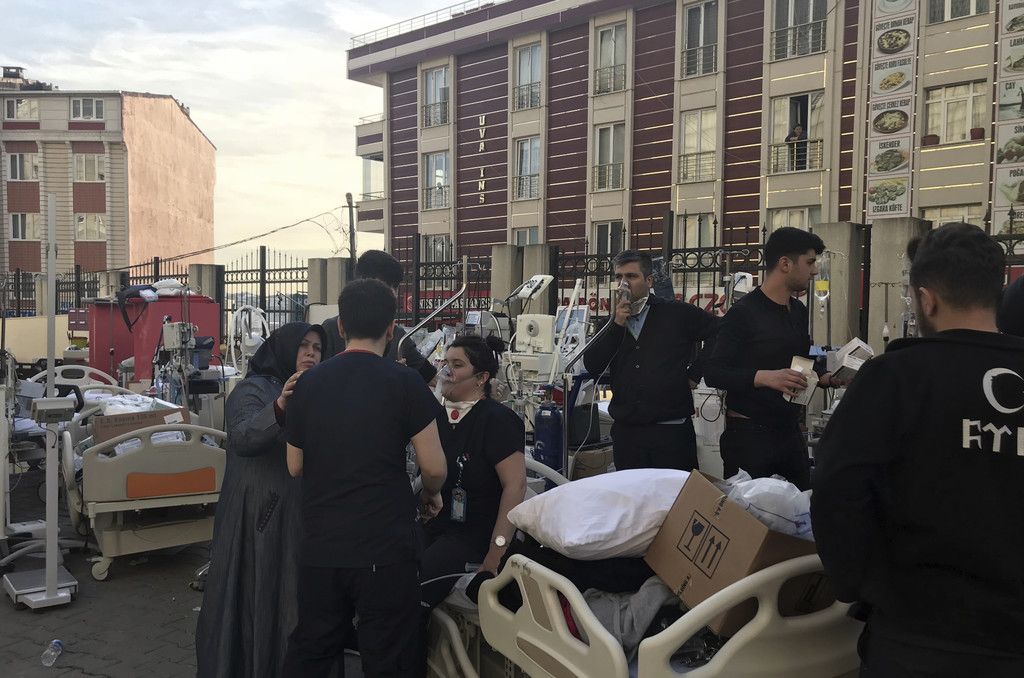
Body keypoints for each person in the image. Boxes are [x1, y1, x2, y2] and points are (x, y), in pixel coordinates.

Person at [812, 223, 1024, 677]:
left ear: (926, 299)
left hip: (918, 633)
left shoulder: (895, 377)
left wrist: (858, 584)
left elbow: (836, 488)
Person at [282, 279, 447, 677]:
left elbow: (295, 466)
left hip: (322, 546)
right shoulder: (405, 382)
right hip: (384, 548)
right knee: (389, 656)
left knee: (314, 650)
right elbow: (434, 467)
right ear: (391, 329)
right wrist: (432, 493)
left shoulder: (308, 383)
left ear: (341, 326)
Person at [195, 321, 325, 678]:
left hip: (298, 516)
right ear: (284, 348)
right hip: (257, 517)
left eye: (317, 348)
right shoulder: (253, 388)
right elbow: (242, 436)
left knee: (289, 600)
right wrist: (280, 406)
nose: (311, 353)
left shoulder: (319, 391)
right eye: (303, 346)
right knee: (256, 598)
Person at [416, 335, 527, 674]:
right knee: (390, 565)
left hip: (475, 537)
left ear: (481, 378)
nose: (446, 371)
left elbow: (515, 486)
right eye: (444, 363)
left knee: (411, 587)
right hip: (439, 526)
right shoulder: (438, 418)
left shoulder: (496, 420)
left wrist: (495, 554)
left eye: (457, 364)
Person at [704, 227, 840, 490]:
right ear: (785, 264)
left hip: (790, 433)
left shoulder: (798, 310)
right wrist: (764, 377)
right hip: (750, 436)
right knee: (753, 512)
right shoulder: (743, 313)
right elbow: (713, 371)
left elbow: (800, 360)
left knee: (800, 508)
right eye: (810, 262)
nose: (814, 271)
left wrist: (826, 377)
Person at [583, 249, 719, 471]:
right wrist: (617, 324)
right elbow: (593, 365)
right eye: (619, 277)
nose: (624, 284)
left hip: (670, 430)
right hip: (628, 433)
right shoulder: (611, 323)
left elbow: (720, 332)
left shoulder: (676, 313)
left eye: (631, 276)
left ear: (649, 280)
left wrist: (695, 373)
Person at [322, 249, 436, 383]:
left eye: (395, 286)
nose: (392, 293)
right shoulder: (330, 330)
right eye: (387, 285)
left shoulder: (399, 336)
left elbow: (432, 377)